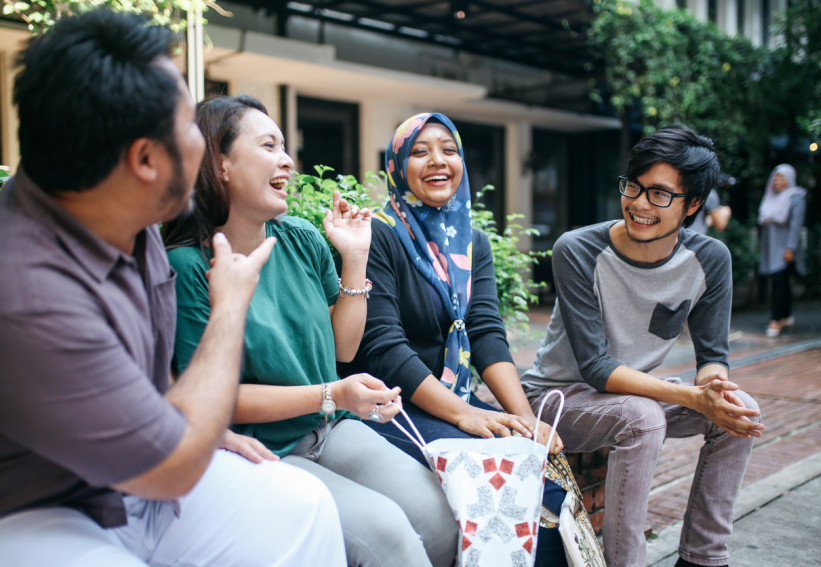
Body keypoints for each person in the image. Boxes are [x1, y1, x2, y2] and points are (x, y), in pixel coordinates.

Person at [0, 10, 345, 567]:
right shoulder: (25, 291)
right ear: (143, 159)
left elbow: (157, 386)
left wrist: (194, 426)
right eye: (190, 126)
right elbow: (174, 463)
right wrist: (229, 306)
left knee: (301, 506)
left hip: (141, 473)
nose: (203, 146)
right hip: (36, 506)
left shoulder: (134, 220)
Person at [161, 95, 457, 567]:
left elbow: (344, 346)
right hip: (257, 448)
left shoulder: (298, 237)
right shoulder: (188, 267)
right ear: (220, 164)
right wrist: (333, 395)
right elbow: (214, 400)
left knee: (442, 518)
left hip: (331, 427)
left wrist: (355, 257)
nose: (287, 159)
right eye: (268, 145)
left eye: (285, 146)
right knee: (390, 537)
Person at [520, 125, 765, 567]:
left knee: (740, 408)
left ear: (692, 205)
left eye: (659, 194)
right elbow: (595, 366)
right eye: (633, 186)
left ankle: (702, 558)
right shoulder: (577, 249)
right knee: (644, 417)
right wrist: (691, 397)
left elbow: (712, 358)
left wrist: (714, 390)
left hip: (633, 395)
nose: (638, 204)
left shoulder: (710, 259)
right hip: (559, 398)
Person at [340, 112, 569, 566]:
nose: (437, 161)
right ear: (397, 166)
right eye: (420, 152)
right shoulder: (379, 234)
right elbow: (383, 348)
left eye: (448, 149)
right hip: (389, 404)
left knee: (546, 487)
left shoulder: (472, 242)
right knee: (499, 482)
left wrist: (526, 422)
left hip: (449, 399)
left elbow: (485, 332)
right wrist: (464, 414)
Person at [758, 164, 807, 337]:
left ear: (790, 179)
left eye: (782, 177)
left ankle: (775, 320)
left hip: (785, 247)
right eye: (775, 177)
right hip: (770, 247)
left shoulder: (796, 198)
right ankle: (786, 315)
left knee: (779, 282)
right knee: (782, 282)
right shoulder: (770, 197)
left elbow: (795, 226)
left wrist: (790, 248)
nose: (778, 181)